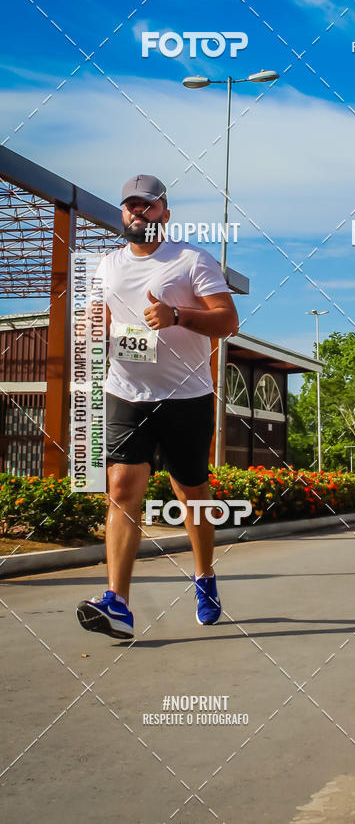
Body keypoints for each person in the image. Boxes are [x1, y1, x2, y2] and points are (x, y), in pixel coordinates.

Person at [76, 175, 239, 640]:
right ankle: (117, 602)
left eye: (147, 206)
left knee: (191, 492)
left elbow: (228, 321)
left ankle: (204, 575)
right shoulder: (104, 266)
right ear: (122, 213)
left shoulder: (191, 259)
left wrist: (177, 316)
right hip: (125, 391)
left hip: (186, 396)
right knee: (123, 488)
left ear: (164, 212)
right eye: (130, 206)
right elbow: (96, 323)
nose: (137, 214)